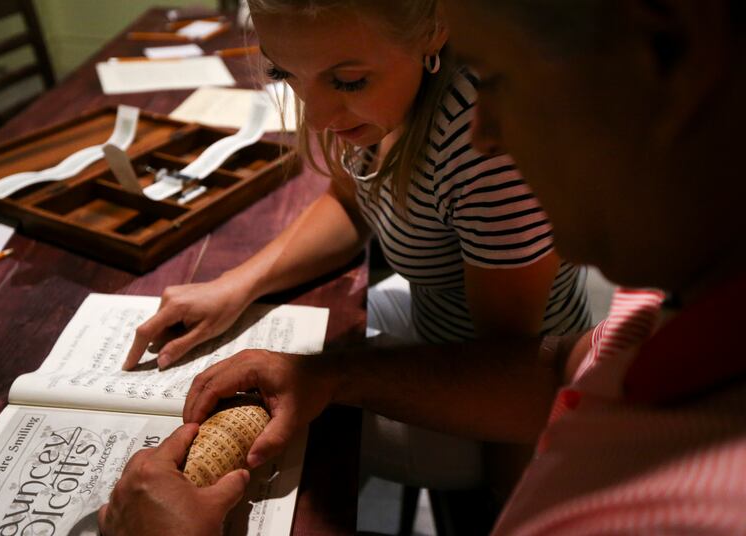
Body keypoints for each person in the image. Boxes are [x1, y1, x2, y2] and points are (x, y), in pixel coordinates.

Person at [101, 0, 746, 534]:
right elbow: (555, 372)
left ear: (671, 52)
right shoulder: (653, 312)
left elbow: (507, 358)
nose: (489, 133)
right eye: (282, 72)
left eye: (499, 79)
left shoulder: (685, 507)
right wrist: (261, 308)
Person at [122, 0, 590, 491]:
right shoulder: (386, 93)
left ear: (436, 29)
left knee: (299, 438)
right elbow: (349, 203)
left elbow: (508, 374)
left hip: (500, 407)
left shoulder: (484, 143)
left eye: (348, 82)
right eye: (284, 73)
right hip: (434, 327)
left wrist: (507, 514)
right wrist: (236, 285)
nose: (316, 117)